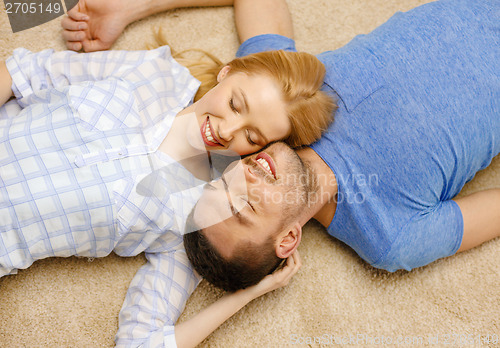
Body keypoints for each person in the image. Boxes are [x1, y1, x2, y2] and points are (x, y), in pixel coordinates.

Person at [0, 2, 337, 347]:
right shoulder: (156, 73)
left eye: (251, 137)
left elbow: (140, 342)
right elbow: (24, 72)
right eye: (235, 104)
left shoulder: (200, 217)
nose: (228, 129)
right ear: (227, 72)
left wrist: (250, 292)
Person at [183, 0, 500, 291]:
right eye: (246, 205)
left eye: (222, 181)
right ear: (289, 238)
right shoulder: (390, 237)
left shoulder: (277, 115)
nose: (244, 176)